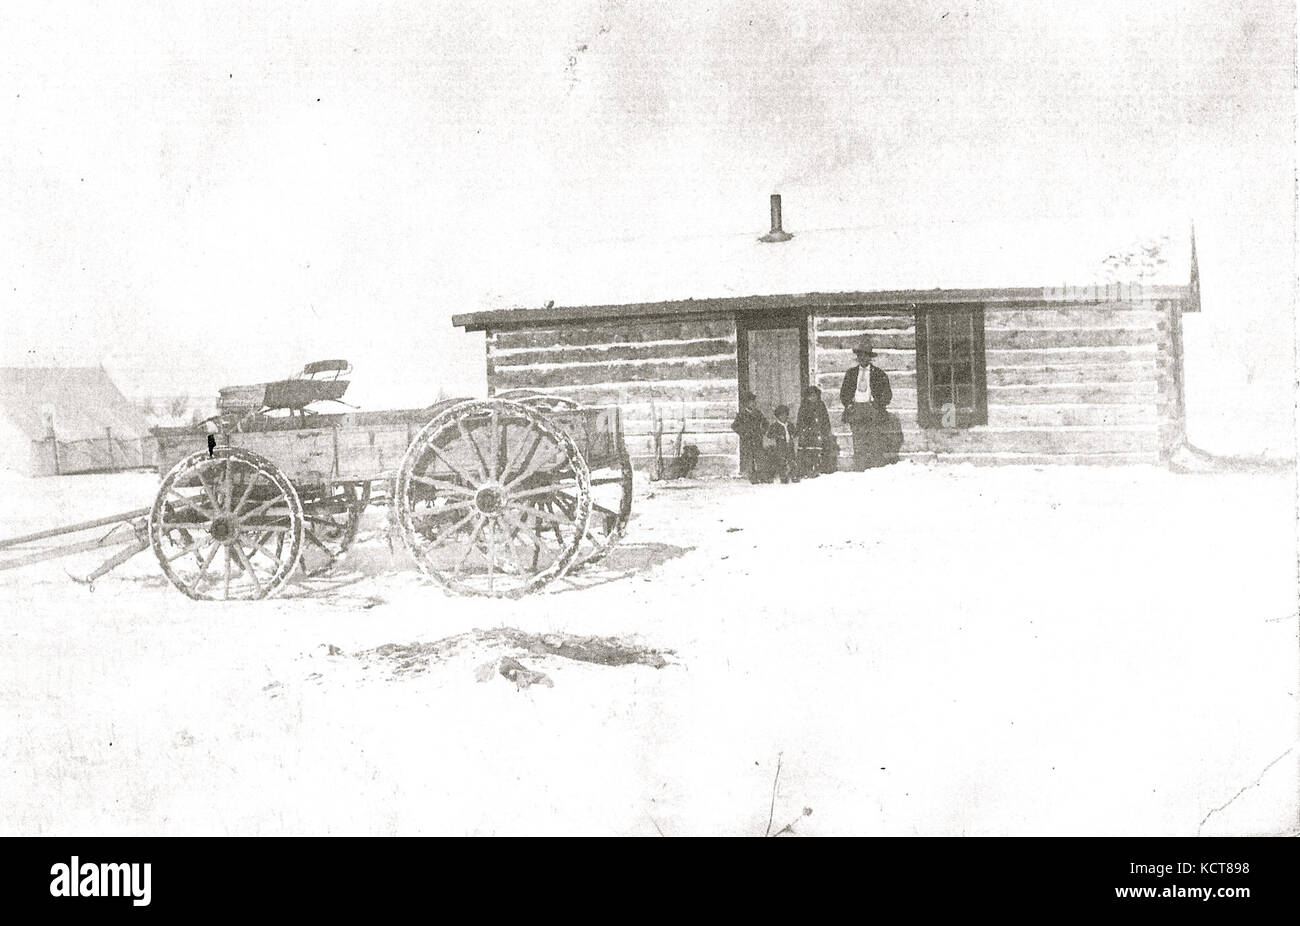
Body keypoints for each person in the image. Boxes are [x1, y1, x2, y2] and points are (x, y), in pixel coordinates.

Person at [840, 337, 897, 470]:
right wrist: (849, 405)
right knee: (858, 440)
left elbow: (887, 394)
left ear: (870, 357)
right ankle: (860, 468)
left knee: (874, 440)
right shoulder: (851, 373)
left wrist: (878, 405)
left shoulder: (878, 373)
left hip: (873, 409)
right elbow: (844, 393)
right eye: (860, 355)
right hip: (856, 409)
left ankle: (875, 469)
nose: (862, 358)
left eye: (865, 355)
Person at [795, 385, 834, 478]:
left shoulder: (821, 405)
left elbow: (825, 419)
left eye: (815, 396)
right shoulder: (804, 406)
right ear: (807, 397)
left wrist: (827, 430)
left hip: (819, 432)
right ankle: (807, 470)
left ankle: (820, 469)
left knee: (820, 451)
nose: (813, 398)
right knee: (808, 452)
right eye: (810, 396)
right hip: (808, 434)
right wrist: (802, 431)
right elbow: (800, 420)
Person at [730, 391, 767, 483]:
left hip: (757, 438)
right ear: (746, 403)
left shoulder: (758, 413)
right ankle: (752, 477)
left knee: (759, 457)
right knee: (749, 458)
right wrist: (744, 433)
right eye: (751, 402)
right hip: (747, 440)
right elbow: (735, 426)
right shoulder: (741, 414)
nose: (753, 404)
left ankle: (762, 476)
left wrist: (762, 431)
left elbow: (766, 423)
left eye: (754, 402)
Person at [763, 405, 798, 484]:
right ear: (778, 417)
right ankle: (783, 477)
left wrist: (793, 436)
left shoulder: (790, 425)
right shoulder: (775, 426)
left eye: (785, 415)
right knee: (781, 461)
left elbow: (795, 433)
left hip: (789, 445)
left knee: (792, 460)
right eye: (781, 415)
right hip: (780, 447)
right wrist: (777, 436)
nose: (783, 417)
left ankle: (794, 475)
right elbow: (769, 435)